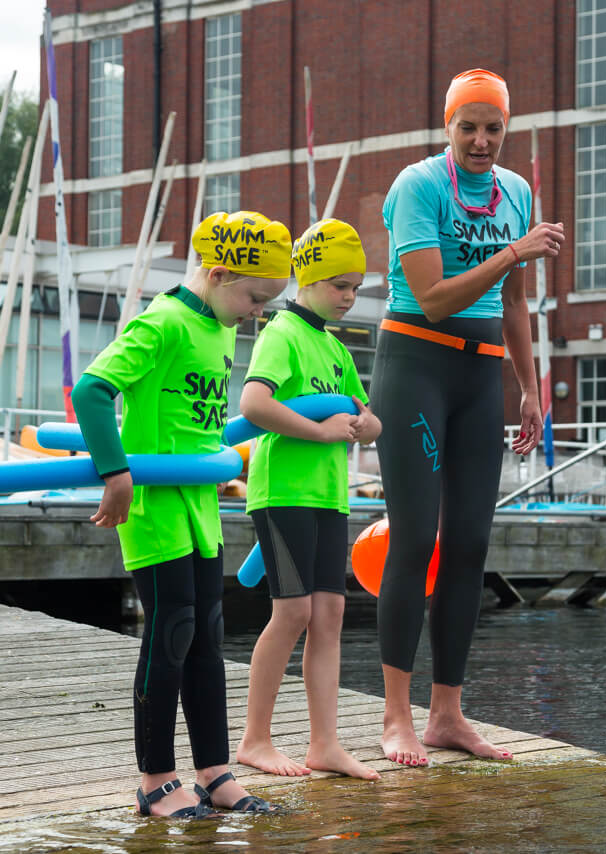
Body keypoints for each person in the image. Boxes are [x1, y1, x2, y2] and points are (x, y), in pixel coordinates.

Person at [370, 69, 565, 766]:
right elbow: (430, 298)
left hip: (481, 377)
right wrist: (514, 250)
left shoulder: (516, 192)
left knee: (471, 544)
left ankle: (446, 712)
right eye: (468, 127)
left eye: (494, 128)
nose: (481, 141)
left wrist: (530, 388)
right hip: (415, 366)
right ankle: (397, 716)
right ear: (446, 126)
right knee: (415, 538)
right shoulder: (417, 186)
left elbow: (512, 304)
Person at [71, 211, 292, 817]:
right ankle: (154, 780)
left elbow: (199, 420)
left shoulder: (219, 326)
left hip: (200, 508)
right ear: (219, 273)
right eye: (253, 298)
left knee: (207, 641)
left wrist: (221, 467)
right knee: (170, 637)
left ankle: (215, 772)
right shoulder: (162, 322)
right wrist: (115, 473)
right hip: (155, 509)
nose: (256, 313)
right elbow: (91, 391)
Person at [235, 219, 382, 780]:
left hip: (328, 497)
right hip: (284, 493)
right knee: (292, 611)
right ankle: (255, 740)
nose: (349, 297)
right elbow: (253, 405)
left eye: (355, 288)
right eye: (341, 285)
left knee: (330, 614)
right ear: (311, 277)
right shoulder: (283, 332)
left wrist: (370, 425)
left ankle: (325, 744)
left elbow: (365, 414)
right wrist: (322, 431)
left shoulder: (333, 346)